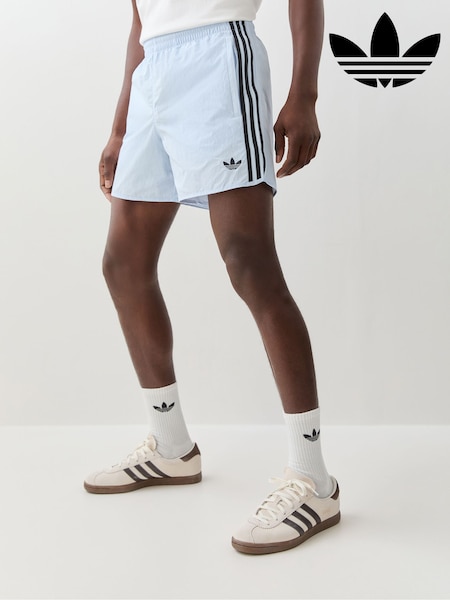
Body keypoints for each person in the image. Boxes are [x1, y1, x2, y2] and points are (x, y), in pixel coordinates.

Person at [84, 0, 340, 555]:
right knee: (123, 264)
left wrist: (304, 94)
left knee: (249, 262)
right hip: (152, 73)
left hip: (219, 59)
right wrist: (121, 126)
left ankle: (313, 478)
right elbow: (142, 19)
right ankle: (171, 447)